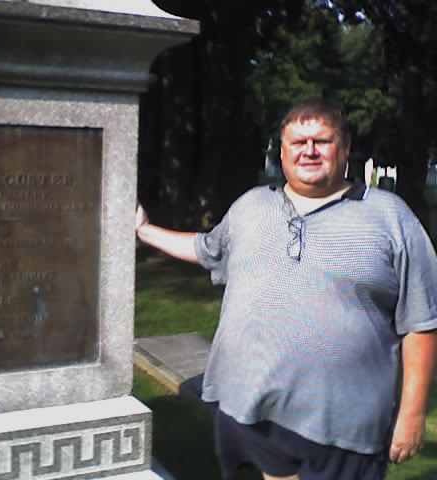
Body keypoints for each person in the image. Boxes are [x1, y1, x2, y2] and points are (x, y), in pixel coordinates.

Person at [135, 98, 437, 480]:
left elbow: (422, 321)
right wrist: (144, 231)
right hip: (250, 410)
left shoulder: (391, 217)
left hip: (344, 425)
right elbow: (206, 249)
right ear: (282, 152)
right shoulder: (251, 206)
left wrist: (412, 412)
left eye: (322, 141)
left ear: (344, 149)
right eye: (298, 142)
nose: (309, 150)